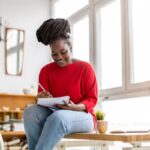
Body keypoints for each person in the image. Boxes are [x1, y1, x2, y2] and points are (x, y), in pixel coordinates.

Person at [23, 18, 98, 150]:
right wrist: (40, 98)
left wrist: (76, 107)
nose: (59, 57)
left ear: (70, 47)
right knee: (30, 112)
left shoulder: (85, 68)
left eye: (63, 52)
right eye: (54, 53)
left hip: (84, 116)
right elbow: (41, 101)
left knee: (58, 117)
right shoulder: (46, 71)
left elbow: (92, 99)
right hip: (55, 113)